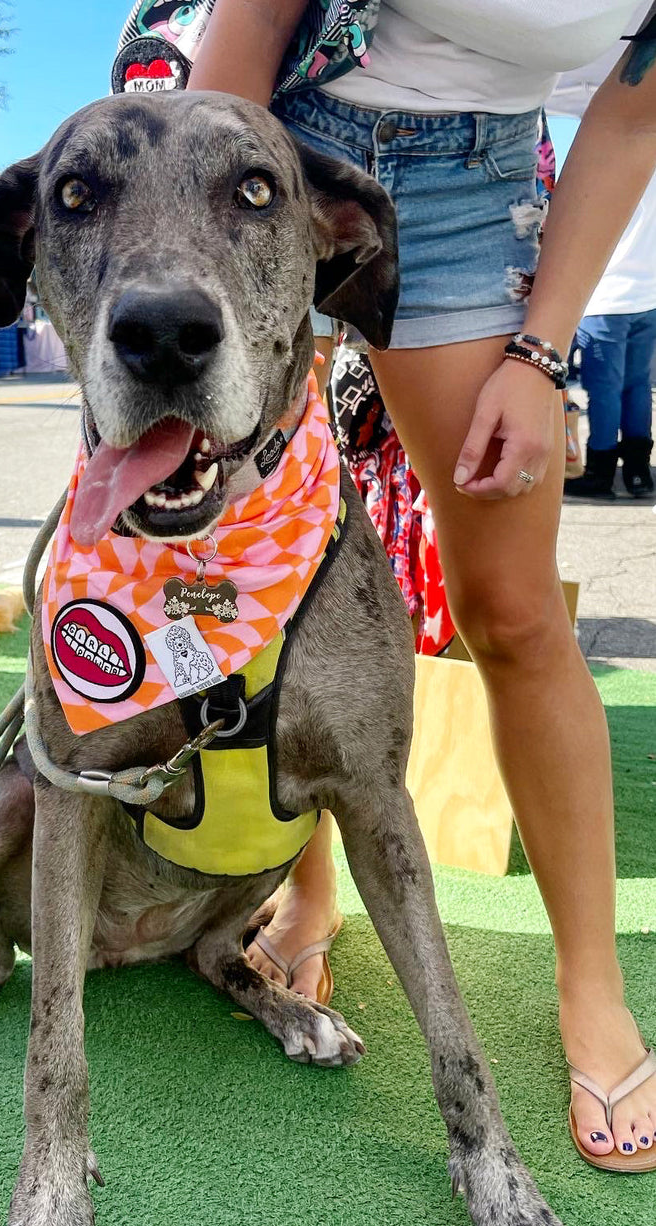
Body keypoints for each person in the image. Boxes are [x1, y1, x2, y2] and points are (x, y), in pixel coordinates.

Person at [188, 0, 656, 1167]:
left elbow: (633, 119)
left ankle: (589, 981)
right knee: (256, 576)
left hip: (471, 175)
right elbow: (247, 32)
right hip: (268, 138)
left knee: (509, 606)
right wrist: (213, 261)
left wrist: (543, 354)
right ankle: (303, 890)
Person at [565, 169, 656, 499]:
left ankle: (600, 474)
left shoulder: (607, 164)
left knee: (604, 391)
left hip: (606, 297)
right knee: (637, 386)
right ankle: (638, 473)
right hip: (648, 295)